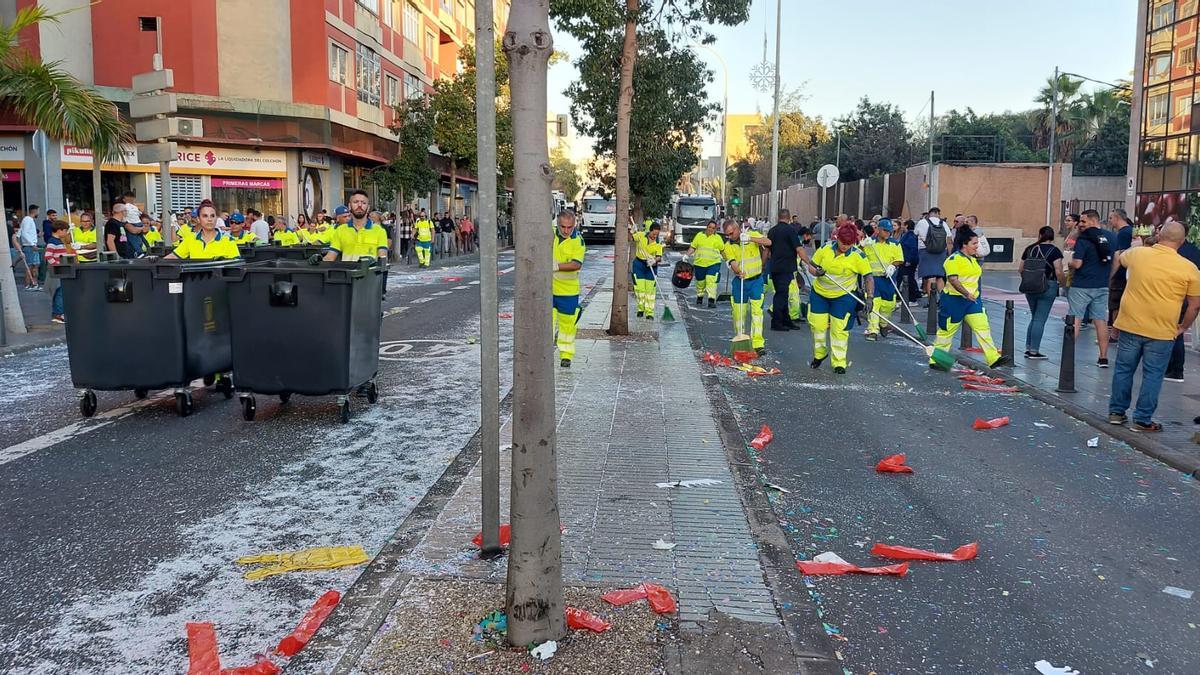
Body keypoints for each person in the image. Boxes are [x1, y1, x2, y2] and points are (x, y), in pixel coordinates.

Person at [1106, 222, 1200, 431]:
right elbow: (1195, 304)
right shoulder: (1188, 268)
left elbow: (1120, 257)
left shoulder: (1138, 255)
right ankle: (1142, 419)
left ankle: (1116, 412)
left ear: (1159, 237)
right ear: (1182, 242)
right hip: (1162, 329)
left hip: (1130, 324)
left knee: (1123, 369)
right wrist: (1183, 327)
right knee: (1153, 374)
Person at [934, 228, 1007, 369]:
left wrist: (971, 296)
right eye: (974, 243)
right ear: (964, 244)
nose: (977, 246)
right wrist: (966, 293)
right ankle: (936, 360)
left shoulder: (973, 260)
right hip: (954, 301)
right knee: (946, 332)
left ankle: (993, 358)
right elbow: (954, 280)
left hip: (972, 302)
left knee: (983, 328)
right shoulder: (953, 260)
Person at [808, 222, 872, 374]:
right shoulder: (824, 249)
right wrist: (817, 272)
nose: (845, 247)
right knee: (817, 326)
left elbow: (868, 277)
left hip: (843, 297)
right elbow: (811, 266)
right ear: (837, 238)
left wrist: (870, 298)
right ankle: (820, 354)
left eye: (849, 244)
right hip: (820, 294)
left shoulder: (858, 256)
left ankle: (839, 362)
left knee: (839, 329)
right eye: (843, 243)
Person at [1067, 209, 1113, 367]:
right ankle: (1103, 357)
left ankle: (1068, 354)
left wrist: (1069, 263)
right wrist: (1108, 277)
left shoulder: (1084, 239)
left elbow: (1077, 263)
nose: (1080, 224)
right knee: (1100, 321)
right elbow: (1117, 260)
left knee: (1075, 319)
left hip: (1081, 285)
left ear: (1093, 221)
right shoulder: (1111, 237)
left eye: (1083, 221)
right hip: (1102, 285)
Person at [721, 218, 771, 356]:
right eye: (727, 235)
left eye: (731, 233)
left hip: (756, 281)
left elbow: (768, 242)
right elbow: (731, 262)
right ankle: (740, 340)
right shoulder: (728, 246)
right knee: (739, 313)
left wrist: (750, 238)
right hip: (740, 282)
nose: (730, 237)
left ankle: (757, 344)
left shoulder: (751, 235)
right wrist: (737, 271)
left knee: (757, 313)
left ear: (737, 229)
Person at [1018, 226, 1065, 359]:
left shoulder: (1029, 249)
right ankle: (1034, 351)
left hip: (1030, 287)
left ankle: (1028, 347)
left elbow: (1021, 269)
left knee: (1034, 317)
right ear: (1052, 237)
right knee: (1040, 319)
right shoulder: (1054, 251)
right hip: (1048, 286)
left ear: (1040, 235)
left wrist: (1029, 280)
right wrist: (1062, 285)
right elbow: (1059, 271)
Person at [766, 208, 813, 331]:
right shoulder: (790, 231)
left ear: (778, 217)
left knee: (783, 294)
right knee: (781, 296)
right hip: (786, 268)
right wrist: (809, 263)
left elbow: (767, 250)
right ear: (789, 217)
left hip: (775, 267)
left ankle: (786, 320)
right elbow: (799, 249)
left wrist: (762, 265)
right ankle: (776, 322)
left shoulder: (772, 231)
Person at [1163, 236, 1200, 383]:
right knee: (1176, 332)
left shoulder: (1175, 253)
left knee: (1173, 333)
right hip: (1188, 296)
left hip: (1176, 296)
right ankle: (1175, 369)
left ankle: (1175, 369)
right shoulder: (1194, 251)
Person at [861, 219, 904, 341]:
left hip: (888, 278)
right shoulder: (870, 244)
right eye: (885, 231)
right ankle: (872, 330)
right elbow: (858, 256)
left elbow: (899, 259)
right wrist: (862, 245)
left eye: (889, 231)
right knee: (874, 304)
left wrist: (892, 266)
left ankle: (883, 324)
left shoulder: (895, 244)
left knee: (888, 305)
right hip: (872, 279)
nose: (887, 233)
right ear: (878, 230)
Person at [553, 211, 586, 367]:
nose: (566, 231)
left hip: (568, 291)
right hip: (549, 290)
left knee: (567, 326)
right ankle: (543, 354)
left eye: (569, 227)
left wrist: (555, 266)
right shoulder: (550, 234)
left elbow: (576, 264)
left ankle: (566, 355)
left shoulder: (577, 241)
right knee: (546, 324)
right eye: (563, 227)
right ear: (558, 224)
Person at [323, 190, 388, 262]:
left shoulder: (379, 231)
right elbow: (330, 257)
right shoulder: (340, 230)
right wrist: (318, 262)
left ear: (368, 207)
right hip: (347, 272)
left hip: (370, 273)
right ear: (349, 206)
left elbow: (382, 258)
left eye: (363, 203)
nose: (359, 205)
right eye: (355, 202)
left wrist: (372, 262)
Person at [165, 200, 240, 260]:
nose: (209, 219)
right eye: (205, 216)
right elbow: (173, 257)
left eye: (212, 216)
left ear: (216, 218)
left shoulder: (228, 240)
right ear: (198, 219)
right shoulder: (190, 239)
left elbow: (236, 267)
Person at [915, 206, 952, 301]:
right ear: (938, 214)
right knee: (939, 276)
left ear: (929, 213)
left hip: (926, 252)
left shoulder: (922, 222)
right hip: (941, 252)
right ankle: (943, 299)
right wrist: (949, 253)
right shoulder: (943, 223)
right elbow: (949, 240)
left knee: (930, 277)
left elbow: (915, 234)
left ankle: (932, 301)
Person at [1108, 208, 1134, 342]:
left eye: (1111, 218)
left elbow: (1120, 255)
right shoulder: (1129, 231)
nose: (1109, 221)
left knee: (1115, 304)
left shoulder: (1124, 233)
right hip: (1127, 273)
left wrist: (1111, 275)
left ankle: (1114, 334)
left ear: (1117, 218)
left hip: (1121, 274)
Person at [686, 219, 724, 308]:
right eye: (710, 227)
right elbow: (693, 247)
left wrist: (728, 261)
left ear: (715, 230)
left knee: (711, 280)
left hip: (713, 263)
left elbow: (722, 251)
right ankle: (700, 296)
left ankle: (711, 299)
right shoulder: (699, 236)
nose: (711, 229)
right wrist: (686, 255)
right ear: (707, 227)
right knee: (700, 282)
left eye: (713, 228)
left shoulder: (718, 238)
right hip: (699, 264)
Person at [632, 221, 664, 318]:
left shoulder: (658, 243)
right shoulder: (641, 236)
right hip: (639, 265)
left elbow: (659, 257)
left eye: (657, 234)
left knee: (650, 291)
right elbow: (629, 239)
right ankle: (640, 309)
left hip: (651, 267)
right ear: (650, 231)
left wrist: (654, 260)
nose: (655, 236)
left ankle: (649, 313)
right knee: (640, 289)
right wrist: (632, 231)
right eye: (654, 234)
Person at [43, 220, 73, 324]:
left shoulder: (57, 241)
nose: (66, 233)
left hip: (59, 270)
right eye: (65, 231)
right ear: (59, 230)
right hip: (56, 271)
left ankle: (59, 313)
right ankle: (58, 313)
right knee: (59, 292)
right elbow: (48, 255)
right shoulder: (53, 242)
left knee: (59, 292)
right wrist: (56, 264)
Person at [17, 204, 40, 290]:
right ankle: (28, 285)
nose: (39, 212)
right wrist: (32, 244)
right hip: (30, 246)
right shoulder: (27, 220)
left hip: (32, 245)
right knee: (30, 266)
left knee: (35, 265)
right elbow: (25, 233)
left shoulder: (29, 220)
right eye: (38, 210)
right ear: (35, 211)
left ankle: (34, 284)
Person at [899, 219, 920, 302]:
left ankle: (912, 297)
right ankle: (914, 294)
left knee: (908, 279)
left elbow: (913, 248)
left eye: (904, 225)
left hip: (908, 261)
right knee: (909, 278)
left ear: (907, 226)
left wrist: (908, 260)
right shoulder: (909, 235)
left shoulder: (910, 236)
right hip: (907, 259)